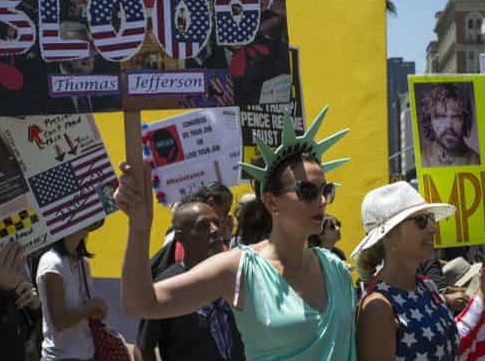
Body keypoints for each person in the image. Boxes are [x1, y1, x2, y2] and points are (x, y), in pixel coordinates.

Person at [116, 106, 356, 360]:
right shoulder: (240, 270)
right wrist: (139, 228)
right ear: (272, 202)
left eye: (326, 190)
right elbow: (140, 303)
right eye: (307, 191)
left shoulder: (337, 270)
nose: (321, 201)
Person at [353, 182, 485, 361]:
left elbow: (448, 342)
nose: (434, 228)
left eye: (431, 218)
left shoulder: (427, 286)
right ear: (389, 236)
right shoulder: (377, 307)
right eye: (421, 221)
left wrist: (483, 292)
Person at [137, 200, 245, 361]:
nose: (215, 230)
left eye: (216, 223)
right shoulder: (167, 288)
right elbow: (143, 349)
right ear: (181, 236)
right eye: (203, 226)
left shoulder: (235, 273)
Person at [36, 227, 107, 361]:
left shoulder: (83, 263)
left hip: (87, 354)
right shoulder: (52, 262)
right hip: (60, 356)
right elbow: (60, 322)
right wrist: (91, 307)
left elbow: (84, 310)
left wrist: (97, 310)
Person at [416, 83, 481, 167]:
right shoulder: (423, 159)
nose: (448, 125)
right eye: (440, 116)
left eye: (456, 116)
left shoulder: (475, 161)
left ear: (465, 120)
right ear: (429, 120)